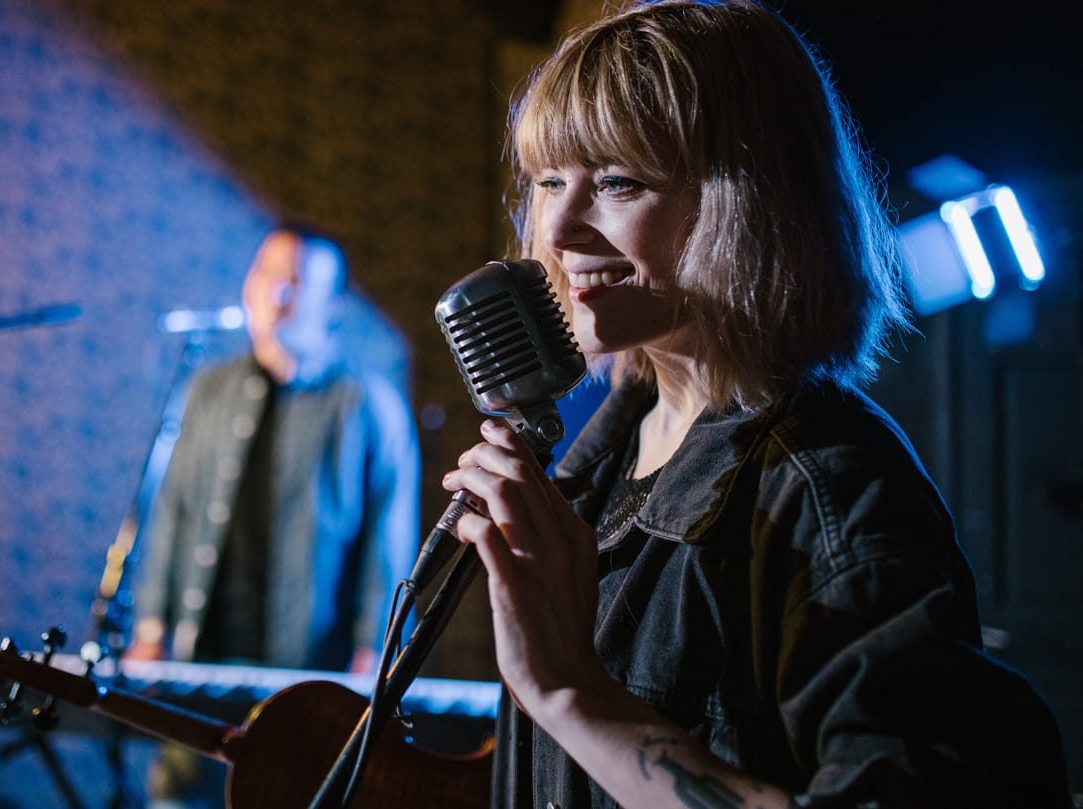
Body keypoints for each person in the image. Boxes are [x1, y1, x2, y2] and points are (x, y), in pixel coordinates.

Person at [441, 2, 1073, 808]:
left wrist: (574, 693)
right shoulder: (603, 458)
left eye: (619, 182)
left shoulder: (835, 492)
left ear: (747, 199)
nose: (559, 230)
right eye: (549, 181)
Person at [125, 224, 421, 806]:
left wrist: (375, 656)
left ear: (332, 305)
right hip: (200, 659)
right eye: (266, 275)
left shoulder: (367, 404)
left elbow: (390, 551)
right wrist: (150, 626)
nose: (276, 293)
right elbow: (172, 513)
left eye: (296, 282)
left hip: (308, 676)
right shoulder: (208, 390)